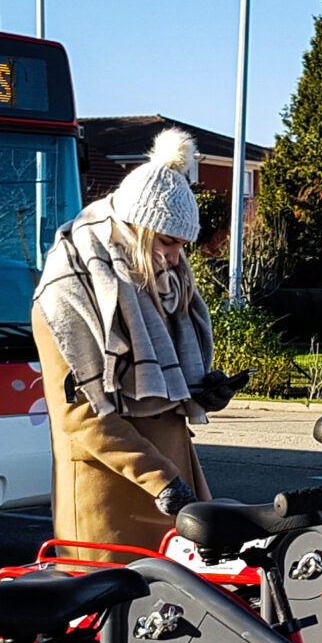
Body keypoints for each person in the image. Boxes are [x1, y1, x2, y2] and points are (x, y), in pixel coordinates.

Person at [32, 128, 246, 555]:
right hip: (108, 503)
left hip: (170, 489)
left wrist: (202, 390)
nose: (175, 258)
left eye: (182, 246)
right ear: (135, 228)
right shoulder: (66, 295)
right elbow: (78, 416)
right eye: (168, 242)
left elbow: (160, 390)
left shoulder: (156, 279)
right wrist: (161, 479)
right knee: (110, 617)